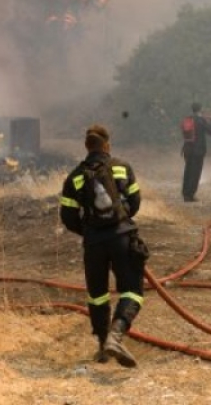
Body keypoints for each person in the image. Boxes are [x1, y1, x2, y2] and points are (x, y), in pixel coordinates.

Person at [59, 124, 147, 367]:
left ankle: (101, 346)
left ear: (87, 147)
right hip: (122, 238)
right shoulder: (121, 167)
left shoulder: (75, 177)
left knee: (97, 295)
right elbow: (135, 202)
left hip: (94, 243)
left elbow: (67, 217)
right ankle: (116, 336)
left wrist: (89, 231)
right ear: (107, 144)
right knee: (132, 290)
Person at [180, 102, 211, 202]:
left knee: (188, 171)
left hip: (187, 149)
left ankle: (185, 193)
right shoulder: (201, 120)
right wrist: (209, 121)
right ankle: (190, 195)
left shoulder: (187, 119)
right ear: (201, 109)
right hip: (198, 151)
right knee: (195, 173)